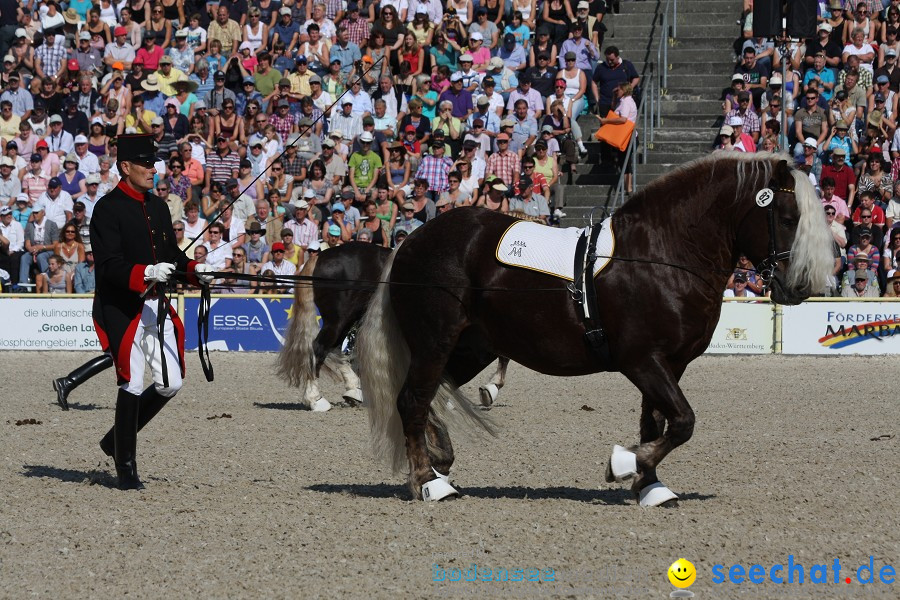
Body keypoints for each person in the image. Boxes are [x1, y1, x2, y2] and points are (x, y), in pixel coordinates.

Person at [89, 133, 213, 490]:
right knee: (132, 380)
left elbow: (171, 257)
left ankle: (115, 439)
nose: (152, 169)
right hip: (122, 306)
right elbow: (109, 267)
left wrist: (193, 270)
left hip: (156, 304)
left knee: (171, 383)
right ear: (125, 167)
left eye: (154, 163)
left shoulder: (158, 207)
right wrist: (145, 271)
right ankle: (126, 465)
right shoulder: (107, 208)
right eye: (145, 164)